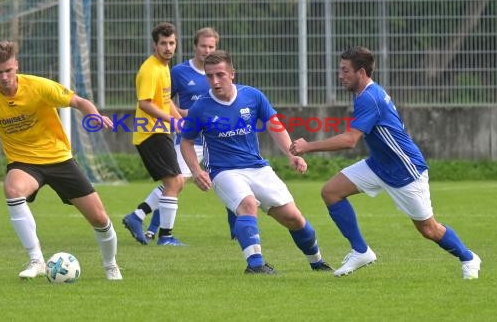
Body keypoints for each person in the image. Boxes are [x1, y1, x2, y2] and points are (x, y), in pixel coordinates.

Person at [289, 46, 481, 279]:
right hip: (378, 165)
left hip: (405, 171)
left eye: (344, 70)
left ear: (361, 72)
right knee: (331, 192)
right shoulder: (363, 95)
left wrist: (308, 146)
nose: (340, 75)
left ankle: (468, 257)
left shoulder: (370, 97)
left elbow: (350, 140)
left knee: (429, 229)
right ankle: (361, 251)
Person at [0, 40, 122, 280]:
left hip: (59, 158)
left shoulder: (39, 87)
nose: (5, 77)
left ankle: (110, 265)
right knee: (12, 189)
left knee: (100, 219)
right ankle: (36, 259)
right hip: (24, 163)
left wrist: (95, 115)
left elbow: (78, 102)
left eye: (9, 70)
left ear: (16, 65)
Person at [180, 50, 332, 274]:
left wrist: (291, 154)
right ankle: (255, 265)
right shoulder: (200, 107)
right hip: (224, 172)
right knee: (248, 205)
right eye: (209, 76)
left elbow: (274, 124)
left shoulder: (252, 96)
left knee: (294, 218)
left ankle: (317, 261)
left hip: (258, 167)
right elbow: (186, 142)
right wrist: (196, 170)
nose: (214, 81)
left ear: (232, 73)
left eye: (220, 74)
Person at [144, 27, 237, 241]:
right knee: (176, 183)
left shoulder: (220, 72)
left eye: (211, 46)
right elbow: (164, 100)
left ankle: (237, 232)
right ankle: (148, 222)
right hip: (190, 140)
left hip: (217, 139)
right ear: (195, 47)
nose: (207, 50)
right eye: (203, 46)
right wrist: (184, 116)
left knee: (231, 177)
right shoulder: (178, 72)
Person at [121, 22, 186, 246]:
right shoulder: (150, 69)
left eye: (171, 43)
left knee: (176, 182)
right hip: (150, 133)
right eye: (163, 43)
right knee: (175, 181)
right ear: (154, 44)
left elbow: (165, 101)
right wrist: (172, 121)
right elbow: (146, 104)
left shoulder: (164, 67)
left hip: (158, 132)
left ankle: (137, 217)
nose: (168, 47)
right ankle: (165, 237)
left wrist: (180, 118)